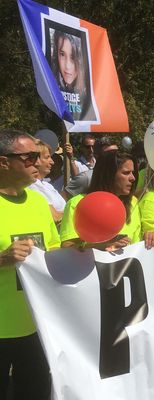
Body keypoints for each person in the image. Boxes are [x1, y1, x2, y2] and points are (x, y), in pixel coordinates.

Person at [0, 129, 60, 400]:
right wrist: (4, 259)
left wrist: (88, 249)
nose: (38, 162)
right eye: (29, 157)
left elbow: (55, 251)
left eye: (39, 156)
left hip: (37, 326)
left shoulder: (38, 202)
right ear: (4, 162)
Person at [60, 150, 141, 251]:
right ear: (108, 175)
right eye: (126, 173)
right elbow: (67, 249)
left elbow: (137, 246)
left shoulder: (133, 202)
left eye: (133, 173)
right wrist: (102, 246)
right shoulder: (77, 203)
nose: (133, 178)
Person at [50, 30, 93, 121]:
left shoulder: (89, 94)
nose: (67, 66)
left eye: (73, 57)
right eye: (62, 54)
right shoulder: (51, 83)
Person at [28, 139, 66, 223]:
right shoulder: (31, 185)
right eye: (47, 157)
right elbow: (55, 217)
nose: (52, 162)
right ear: (35, 160)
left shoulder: (47, 185)